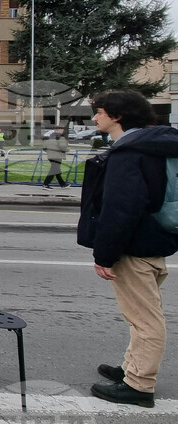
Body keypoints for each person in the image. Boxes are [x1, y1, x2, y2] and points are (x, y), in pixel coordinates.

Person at [77, 90, 178, 408]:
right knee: (145, 314)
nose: (95, 117)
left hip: (133, 249)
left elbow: (120, 208)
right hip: (155, 239)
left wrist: (104, 253)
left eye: (99, 112)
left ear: (116, 116)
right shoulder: (156, 147)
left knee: (145, 319)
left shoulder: (128, 153)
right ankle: (131, 368)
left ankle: (139, 385)